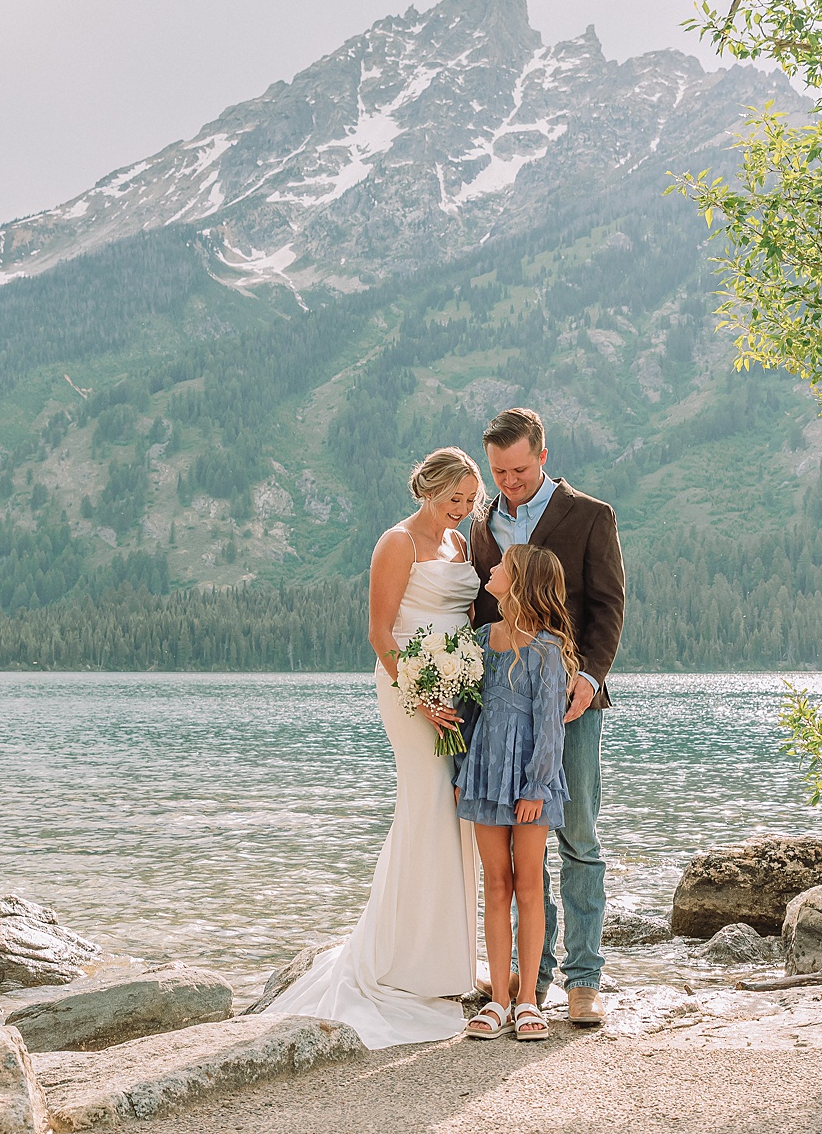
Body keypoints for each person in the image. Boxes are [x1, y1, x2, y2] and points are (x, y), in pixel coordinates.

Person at [262, 448, 483, 1048]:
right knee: (426, 806)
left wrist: (459, 683)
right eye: (453, 501)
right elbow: (380, 633)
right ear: (427, 494)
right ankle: (401, 962)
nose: (463, 512)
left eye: (469, 501)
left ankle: (445, 963)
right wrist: (420, 693)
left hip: (457, 686)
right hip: (408, 688)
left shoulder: (461, 547)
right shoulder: (398, 543)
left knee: (454, 815)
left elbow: (462, 620)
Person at [469, 407, 624, 1027]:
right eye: (498, 471)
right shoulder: (483, 526)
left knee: (577, 836)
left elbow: (608, 609)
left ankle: (584, 979)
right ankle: (531, 981)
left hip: (571, 703)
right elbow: (482, 610)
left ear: (543, 457)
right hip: (505, 707)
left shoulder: (590, 515)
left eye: (518, 468)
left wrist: (587, 680)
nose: (507, 481)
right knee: (518, 843)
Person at [455, 544, 574, 1042]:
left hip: (530, 785)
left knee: (529, 885)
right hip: (485, 777)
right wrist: (463, 767)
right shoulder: (483, 640)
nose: (492, 569)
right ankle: (499, 1001)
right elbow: (470, 712)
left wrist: (536, 786)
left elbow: (550, 726)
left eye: (502, 567)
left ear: (520, 581)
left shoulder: (546, 651)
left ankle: (529, 1000)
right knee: (495, 885)